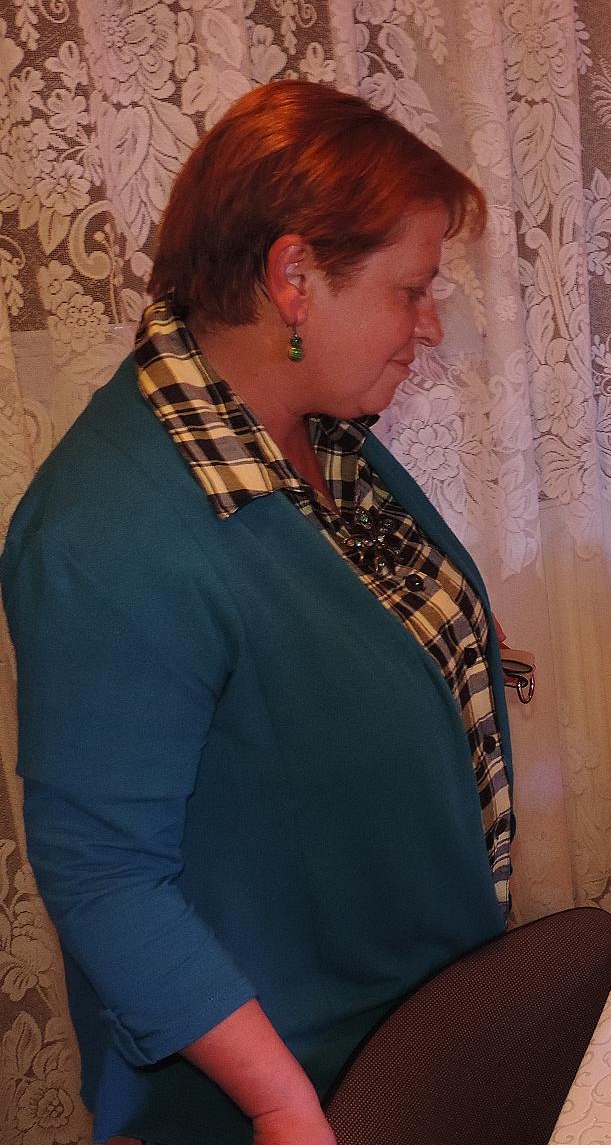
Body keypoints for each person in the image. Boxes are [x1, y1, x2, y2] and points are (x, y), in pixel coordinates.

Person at [2, 81, 512, 1145]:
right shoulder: (111, 530)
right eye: (411, 291)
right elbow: (105, 878)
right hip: (285, 1092)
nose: (428, 325)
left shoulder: (313, 436)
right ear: (294, 279)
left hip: (409, 1030)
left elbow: (312, 644)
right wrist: (281, 1105)